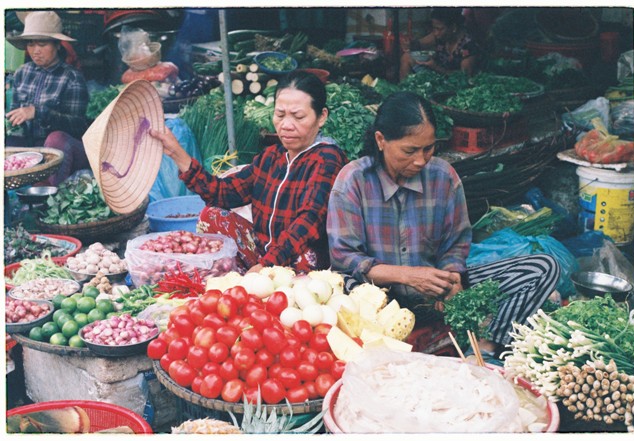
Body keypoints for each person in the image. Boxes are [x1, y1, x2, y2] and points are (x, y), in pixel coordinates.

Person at [327, 91, 560, 362]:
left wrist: (452, 280)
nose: (420, 160)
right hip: (377, 300)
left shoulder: (443, 177)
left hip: (433, 294)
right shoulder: (354, 180)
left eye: (428, 149)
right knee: (340, 286)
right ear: (381, 140)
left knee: (542, 267)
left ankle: (486, 347)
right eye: (409, 150)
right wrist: (407, 275)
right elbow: (345, 258)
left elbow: (456, 244)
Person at [151, 70, 348, 274]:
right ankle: (250, 275)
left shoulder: (327, 158)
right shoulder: (271, 157)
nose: (286, 125)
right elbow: (223, 193)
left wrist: (267, 266)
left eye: (298, 117)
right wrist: (177, 154)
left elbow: (309, 221)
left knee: (305, 254)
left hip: (299, 259)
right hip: (265, 255)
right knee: (213, 215)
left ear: (321, 116)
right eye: (280, 115)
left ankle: (262, 278)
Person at [5, 11, 90, 186]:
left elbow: (78, 126)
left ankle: (50, 196)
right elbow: (14, 117)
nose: (35, 51)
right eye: (31, 44)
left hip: (62, 151)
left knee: (56, 138)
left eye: (42, 44)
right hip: (30, 148)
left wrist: (39, 113)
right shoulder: (23, 72)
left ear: (58, 44)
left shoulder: (72, 77)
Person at [399, 7, 481, 80]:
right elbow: (419, 44)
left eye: (439, 29)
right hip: (438, 75)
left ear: (453, 27)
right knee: (406, 57)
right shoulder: (441, 36)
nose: (435, 33)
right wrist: (409, 44)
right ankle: (404, 91)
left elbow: (463, 78)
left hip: (453, 83)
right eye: (434, 28)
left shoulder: (468, 47)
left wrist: (436, 67)